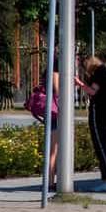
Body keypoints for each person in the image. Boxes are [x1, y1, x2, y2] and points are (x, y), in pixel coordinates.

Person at [75, 56, 106, 192]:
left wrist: (80, 84)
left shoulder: (100, 73)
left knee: (100, 146)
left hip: (99, 112)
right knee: (103, 146)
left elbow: (93, 91)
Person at [39, 59, 59, 191]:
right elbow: (58, 92)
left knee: (52, 149)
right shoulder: (55, 73)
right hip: (55, 113)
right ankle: (50, 182)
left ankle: (51, 180)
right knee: (53, 150)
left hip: (50, 112)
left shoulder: (47, 73)